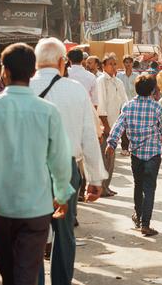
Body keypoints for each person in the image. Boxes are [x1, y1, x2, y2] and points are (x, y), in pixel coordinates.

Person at [0, 43, 74, 285]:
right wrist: (61, 193)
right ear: (32, 72)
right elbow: (59, 158)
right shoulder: (48, 111)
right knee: (26, 274)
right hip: (37, 207)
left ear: (4, 71)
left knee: (10, 275)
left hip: (1, 208)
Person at [31, 38, 107, 285]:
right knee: (64, 234)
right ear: (62, 62)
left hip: (32, 171)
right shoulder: (75, 90)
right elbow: (89, 135)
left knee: (34, 232)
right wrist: (95, 179)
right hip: (66, 167)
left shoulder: (25, 88)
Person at [105, 74, 162, 237]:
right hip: (153, 154)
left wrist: (111, 143)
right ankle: (145, 224)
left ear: (136, 89)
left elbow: (119, 126)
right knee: (149, 188)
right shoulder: (157, 107)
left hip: (136, 154)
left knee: (138, 185)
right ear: (153, 90)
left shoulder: (128, 106)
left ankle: (138, 218)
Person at [96, 54, 129, 197]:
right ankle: (101, 187)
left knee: (111, 157)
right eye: (110, 64)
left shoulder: (118, 82)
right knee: (104, 157)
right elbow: (101, 106)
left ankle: (106, 186)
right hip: (105, 126)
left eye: (115, 64)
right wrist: (106, 126)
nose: (113, 66)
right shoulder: (101, 81)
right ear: (103, 66)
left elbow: (125, 102)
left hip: (116, 125)